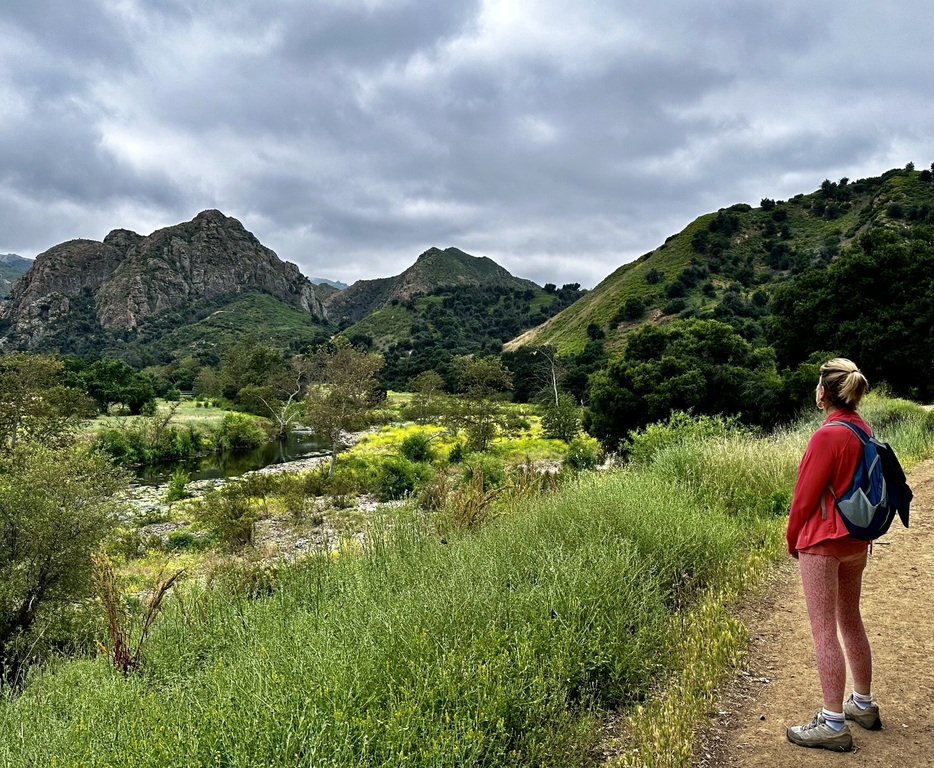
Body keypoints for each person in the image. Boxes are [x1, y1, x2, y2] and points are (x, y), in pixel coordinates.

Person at [784, 358, 883, 752]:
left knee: (824, 629)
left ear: (824, 392)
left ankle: (832, 722)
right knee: (850, 619)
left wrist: (793, 540)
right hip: (855, 542)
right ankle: (862, 704)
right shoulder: (861, 429)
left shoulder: (826, 436)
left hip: (823, 543)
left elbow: (804, 498)